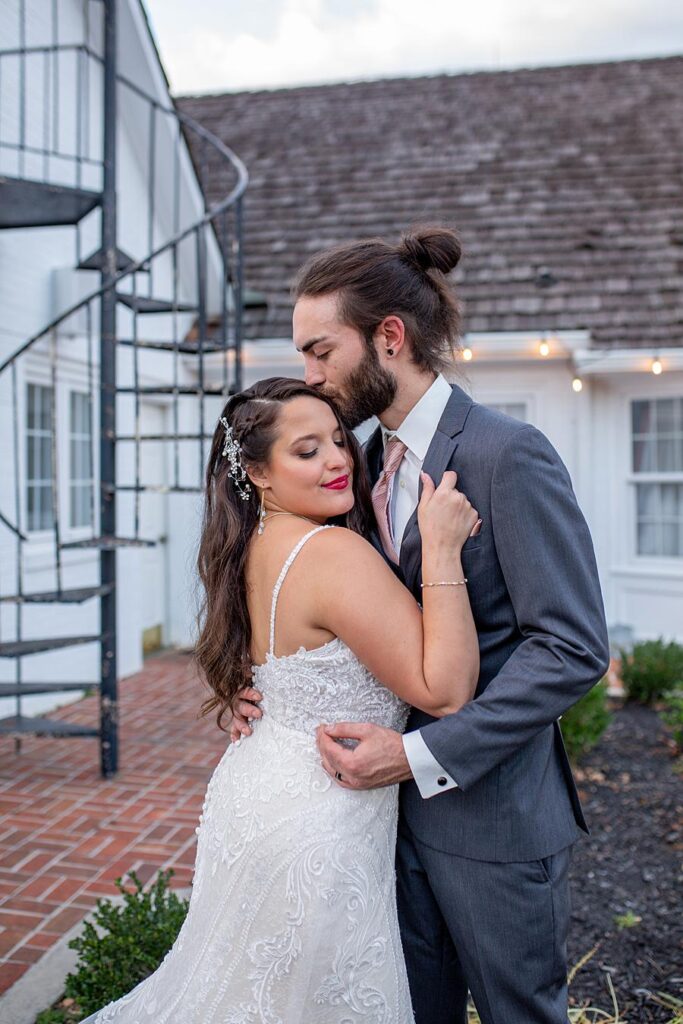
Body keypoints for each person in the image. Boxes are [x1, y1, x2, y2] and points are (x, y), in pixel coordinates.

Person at [232, 228, 611, 1024]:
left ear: (389, 338)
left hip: (495, 823)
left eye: (320, 351)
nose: (310, 375)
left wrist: (416, 754)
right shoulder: (354, 460)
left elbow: (570, 648)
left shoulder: (509, 455)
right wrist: (259, 686)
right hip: (377, 829)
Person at [80, 376, 481, 1024]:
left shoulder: (246, 549)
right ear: (259, 473)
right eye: (306, 450)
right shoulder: (332, 553)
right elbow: (447, 688)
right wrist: (440, 546)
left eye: (336, 441)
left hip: (257, 793)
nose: (336, 460)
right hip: (321, 817)